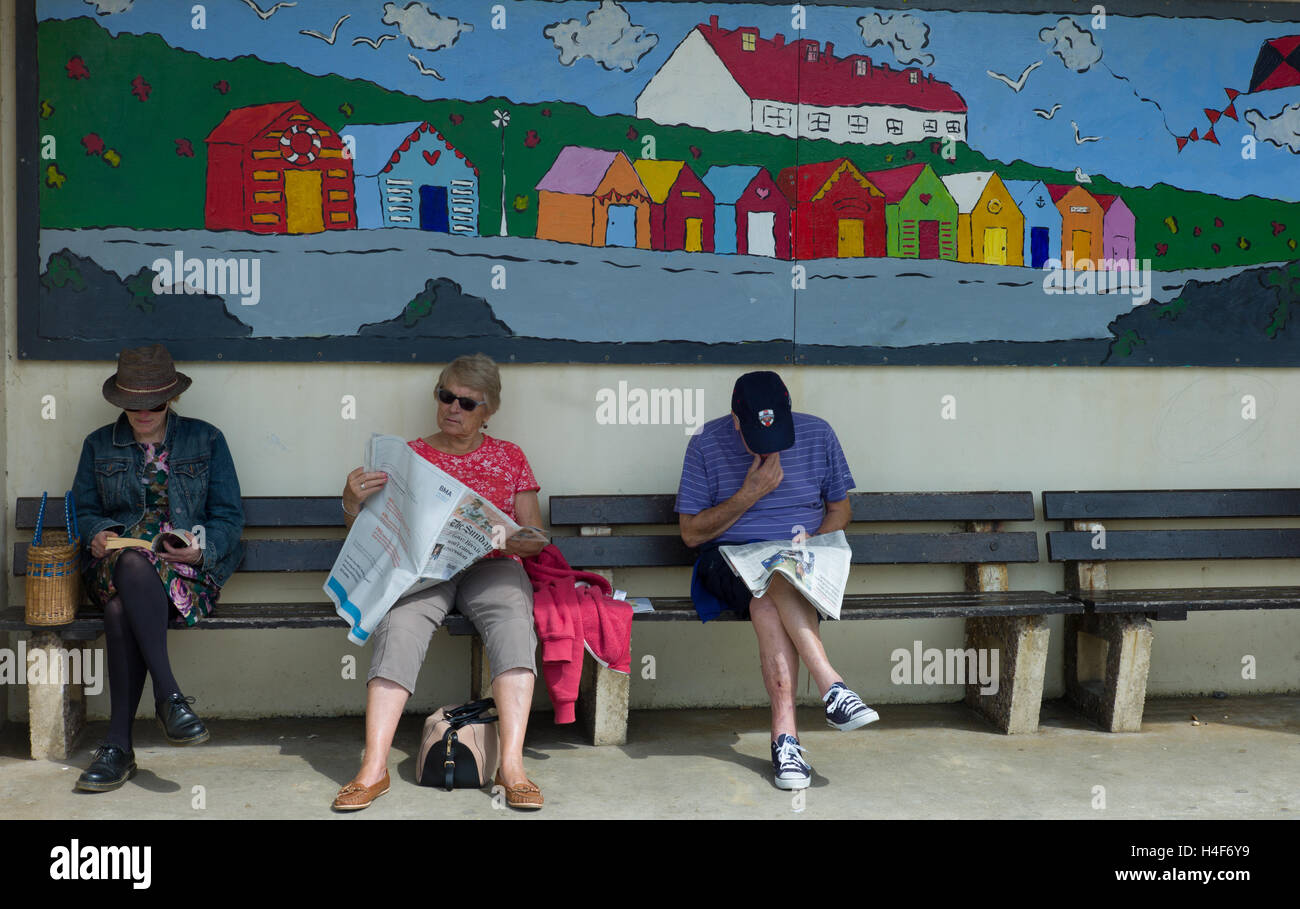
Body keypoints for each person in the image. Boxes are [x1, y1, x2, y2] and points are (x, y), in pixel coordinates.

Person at [332, 353, 548, 812]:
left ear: (489, 411)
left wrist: (504, 534)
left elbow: (535, 537)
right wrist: (351, 500)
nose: (454, 407)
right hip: (424, 569)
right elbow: (374, 527)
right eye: (446, 396)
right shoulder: (408, 456)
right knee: (399, 627)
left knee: (512, 619)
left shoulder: (509, 456)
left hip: (491, 563)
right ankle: (373, 768)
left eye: (468, 403)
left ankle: (512, 767)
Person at [675, 371, 878, 790]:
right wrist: (749, 494)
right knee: (770, 579)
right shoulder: (704, 442)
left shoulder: (819, 433)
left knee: (770, 587)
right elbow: (692, 533)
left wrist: (812, 544)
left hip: (802, 558)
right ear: (736, 421)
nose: (770, 449)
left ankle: (785, 740)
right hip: (728, 560)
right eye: (755, 438)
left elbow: (841, 511)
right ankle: (832, 686)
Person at [70, 344, 245, 792]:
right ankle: (170, 697)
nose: (144, 412)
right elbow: (84, 510)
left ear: (172, 399)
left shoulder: (206, 439)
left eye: (155, 403)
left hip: (186, 574)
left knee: (117, 612)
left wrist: (199, 550)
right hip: (115, 567)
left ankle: (118, 748)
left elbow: (228, 517)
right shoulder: (97, 444)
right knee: (130, 560)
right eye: (133, 403)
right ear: (119, 401)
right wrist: (97, 533)